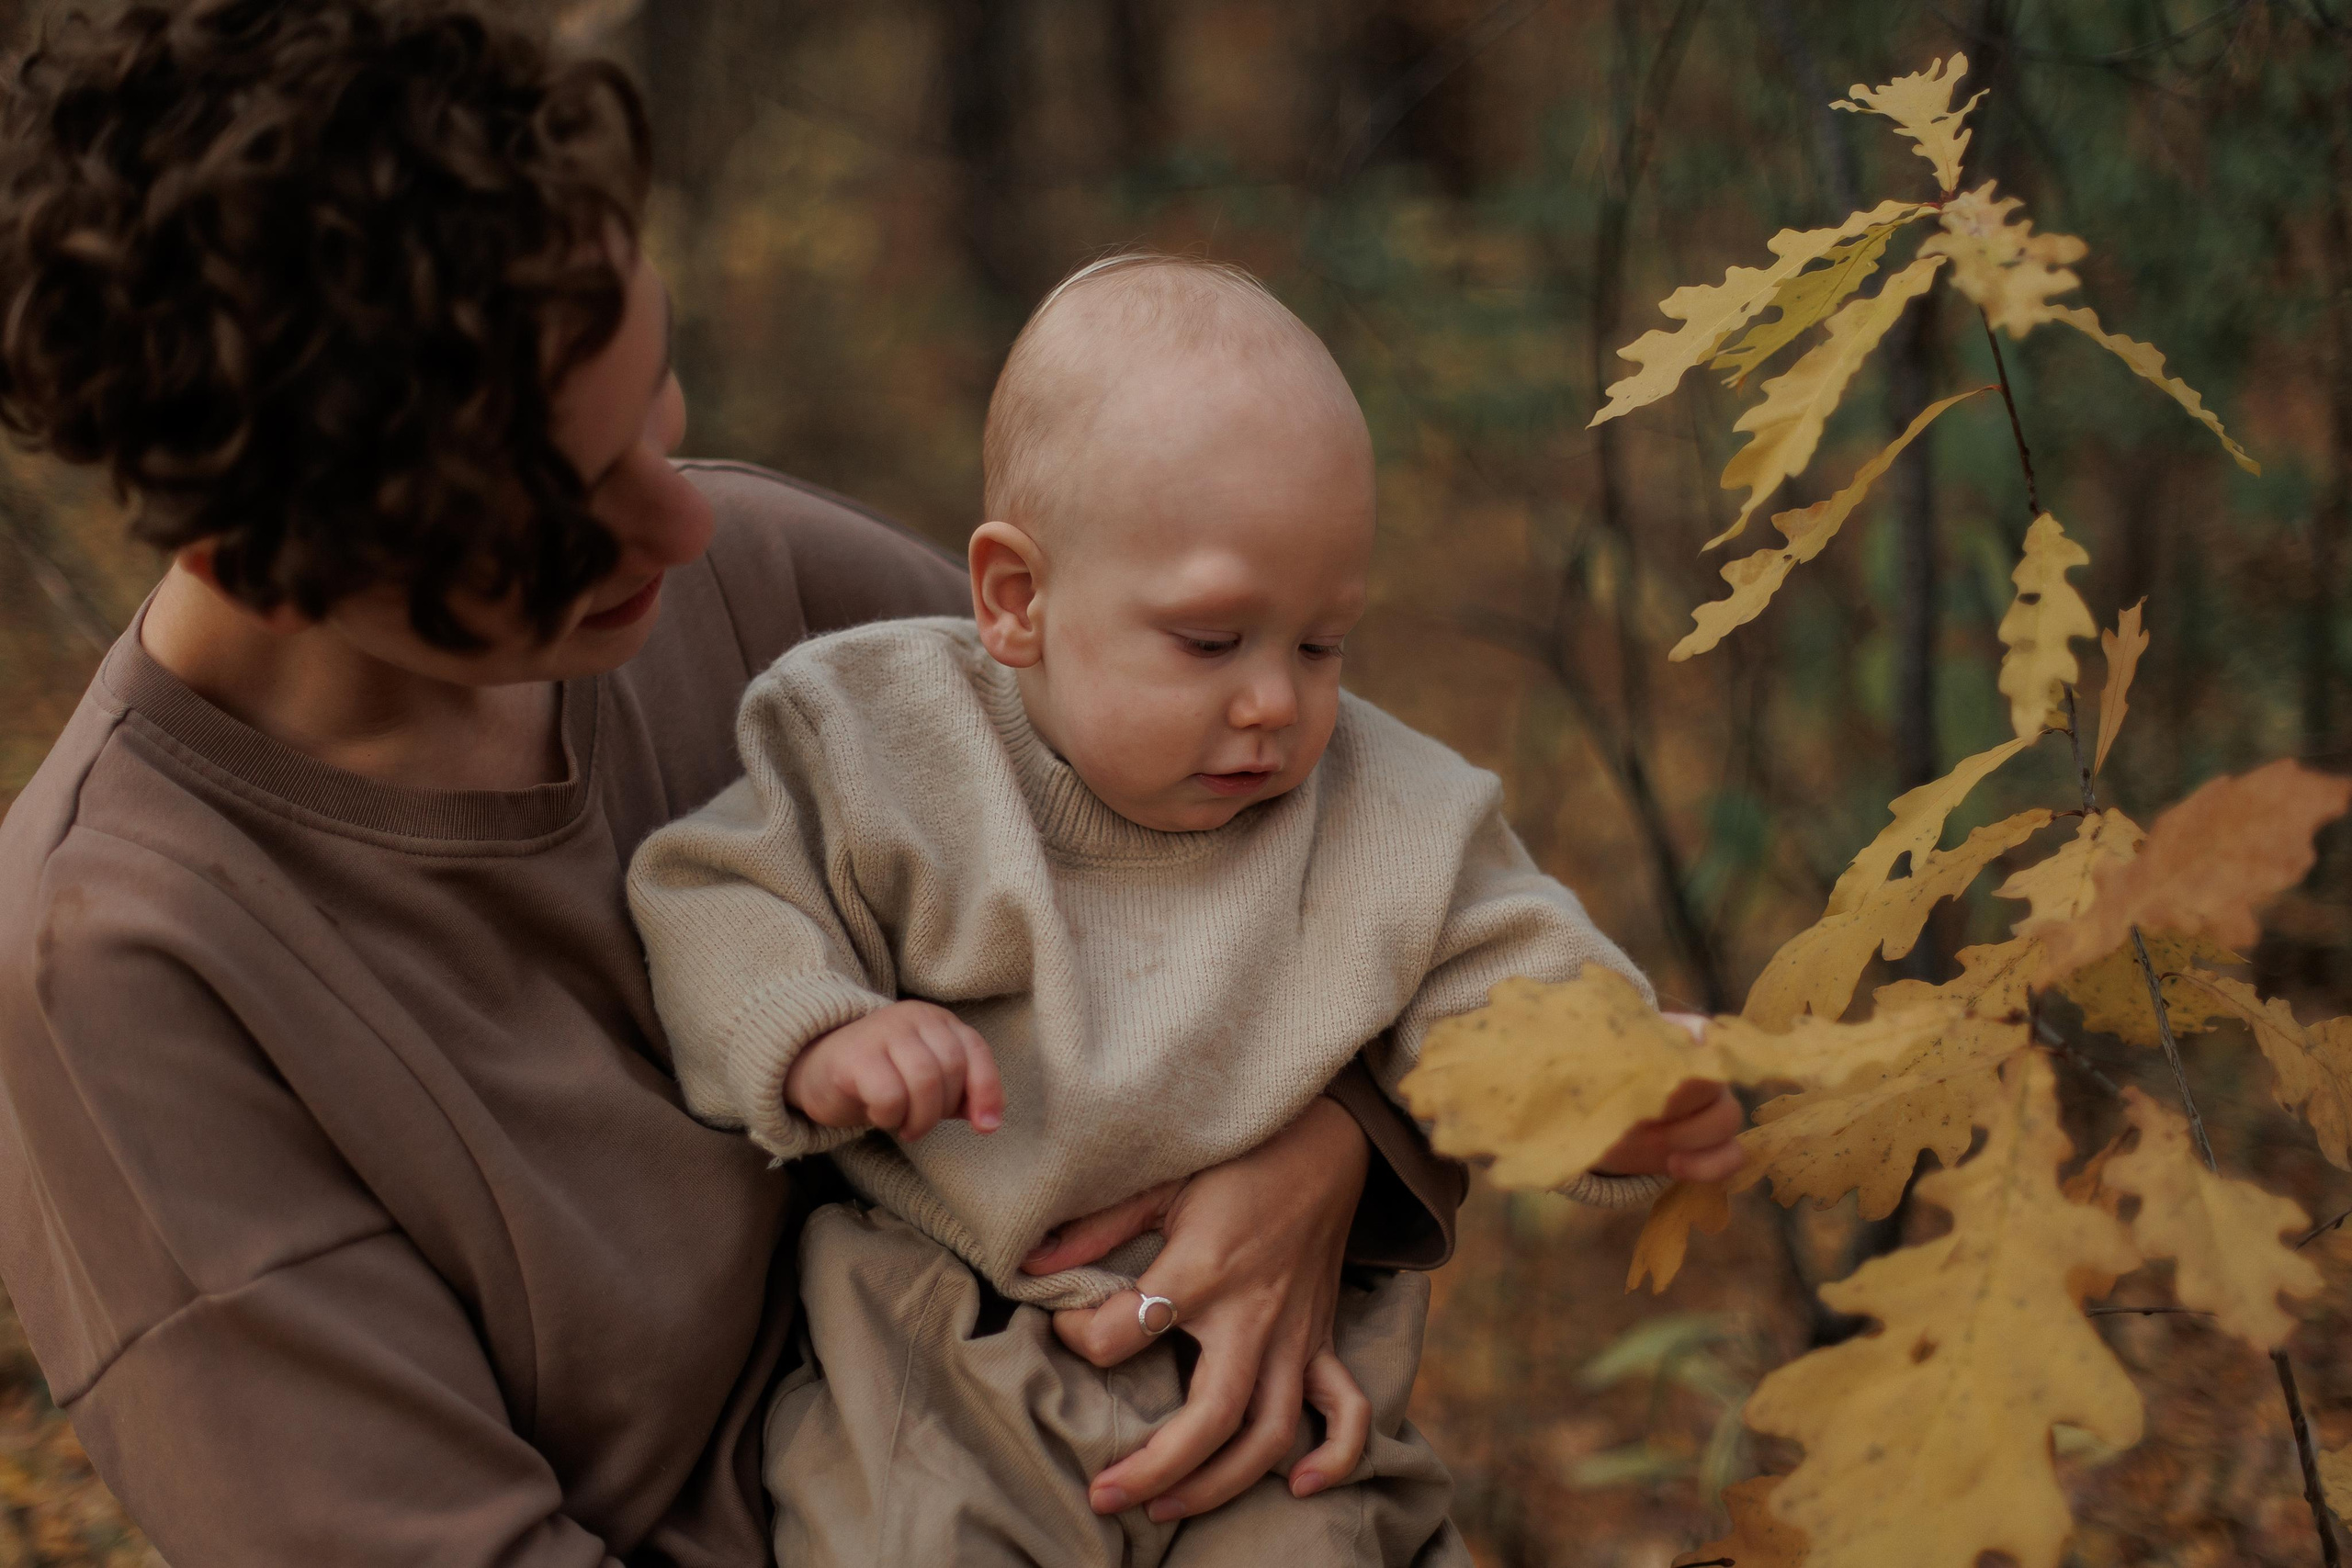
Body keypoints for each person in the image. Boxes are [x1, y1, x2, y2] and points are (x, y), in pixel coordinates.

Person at [0, 6, 1480, 1565]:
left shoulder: (767, 589)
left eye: (656, 403)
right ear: (269, 556)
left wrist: (1329, 1153)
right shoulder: (118, 969)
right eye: (569, 509)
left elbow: (1300, 844)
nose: (685, 527)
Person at [627, 254, 1747, 1566]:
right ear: (1016, 600)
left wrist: (1617, 1087)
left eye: (1323, 643)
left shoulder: (1391, 815)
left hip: (1282, 1401)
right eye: (1212, 642)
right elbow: (716, 893)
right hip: (945, 1364)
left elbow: (1511, 989)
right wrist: (818, 1034)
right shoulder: (882, 738)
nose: (1276, 701)